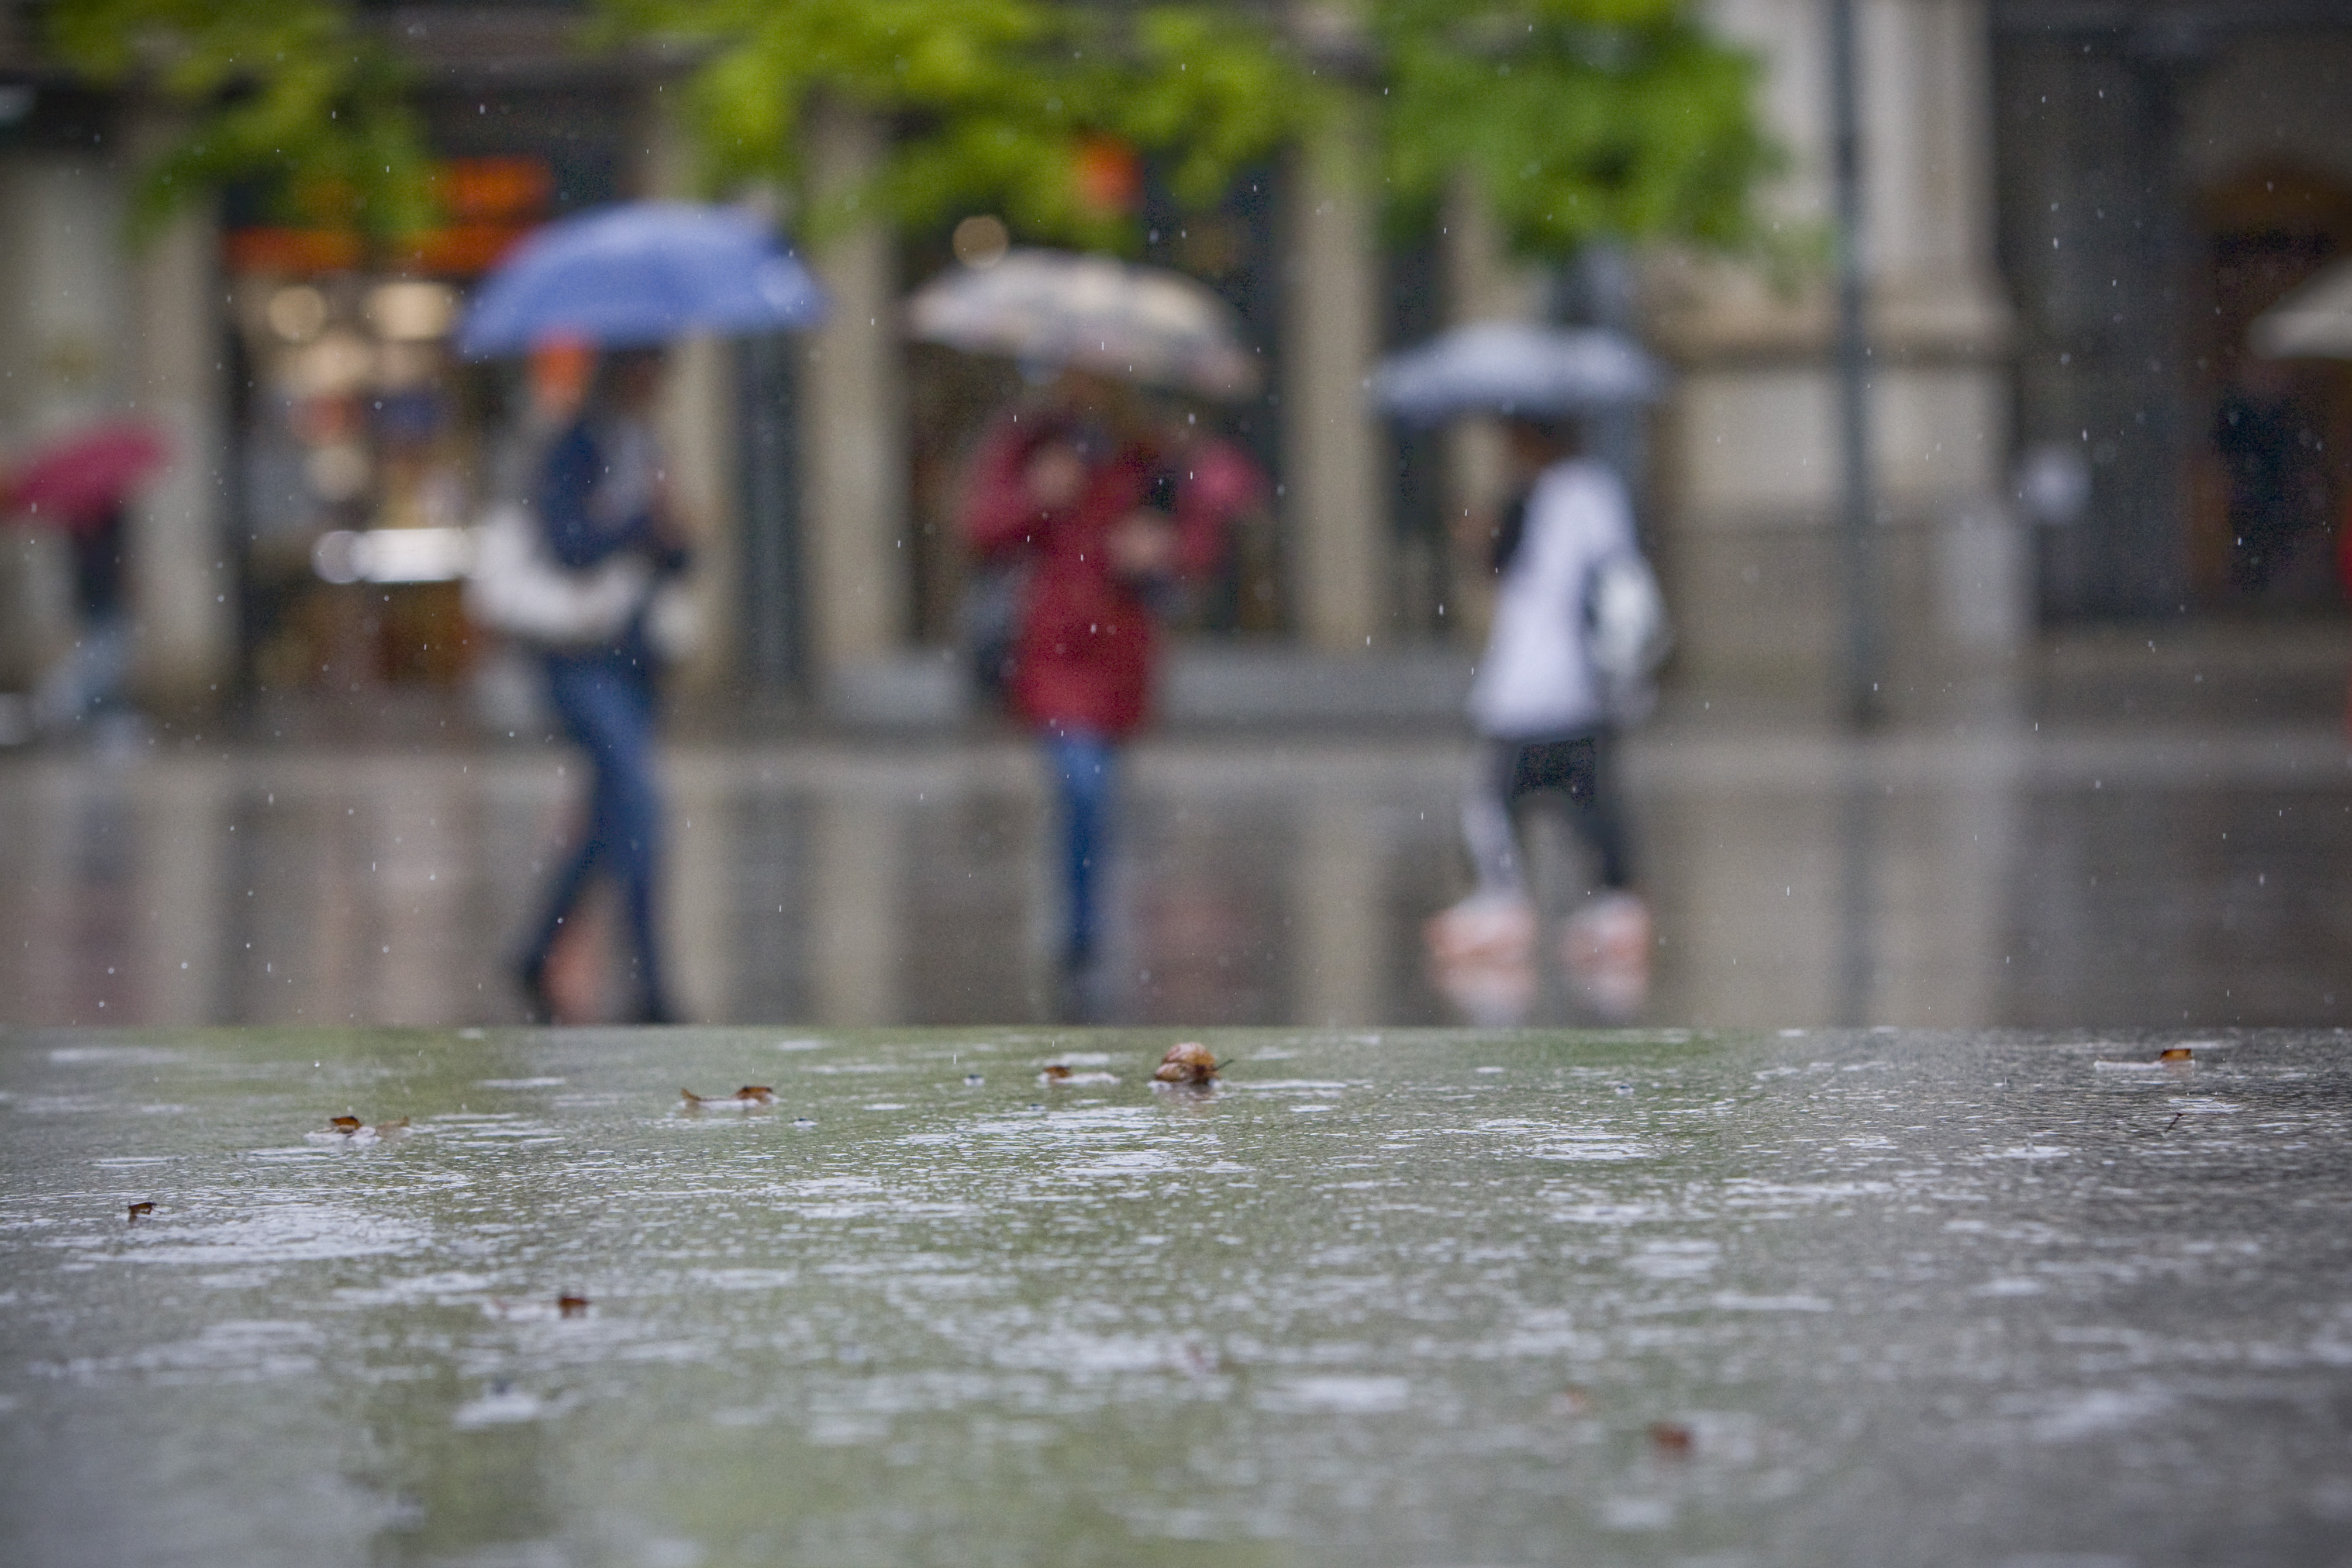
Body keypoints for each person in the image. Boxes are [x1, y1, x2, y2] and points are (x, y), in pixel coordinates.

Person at [959, 370, 1232, 996]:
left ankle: (1084, 918)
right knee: (1082, 782)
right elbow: (981, 529)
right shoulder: (1031, 444)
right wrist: (1039, 495)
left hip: (1121, 653)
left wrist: (1159, 547)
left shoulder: (1152, 457)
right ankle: (1080, 931)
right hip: (1051, 649)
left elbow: (1198, 541)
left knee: (1095, 794)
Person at [1426, 415, 1658, 1022]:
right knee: (1590, 800)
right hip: (1584, 687)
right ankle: (1612, 904)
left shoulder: (1536, 496)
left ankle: (1502, 902)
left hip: (1529, 684)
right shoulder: (1599, 493)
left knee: (1491, 800)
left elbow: (1502, 568)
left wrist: (1476, 534)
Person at [512, 347, 691, 1024]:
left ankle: (536, 949)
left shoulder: (647, 446)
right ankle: (652, 986)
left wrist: (675, 536)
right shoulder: (572, 446)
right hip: (577, 656)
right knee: (638, 807)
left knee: (612, 817)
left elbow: (671, 562)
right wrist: (634, 525)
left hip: (634, 659)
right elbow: (566, 545)